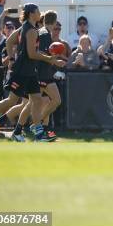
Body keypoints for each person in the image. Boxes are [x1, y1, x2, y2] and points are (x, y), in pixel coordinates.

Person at [0, 3, 65, 141]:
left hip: (30, 72)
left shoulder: (27, 27)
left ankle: (38, 133)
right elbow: (31, 54)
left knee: (36, 101)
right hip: (23, 71)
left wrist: (11, 58)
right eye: (37, 11)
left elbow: (10, 41)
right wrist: (51, 59)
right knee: (12, 100)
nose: (39, 13)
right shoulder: (31, 30)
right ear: (31, 14)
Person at [34, 10, 63, 140]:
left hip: (43, 73)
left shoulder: (43, 32)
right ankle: (36, 126)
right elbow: (42, 54)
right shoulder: (45, 33)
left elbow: (44, 54)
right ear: (55, 22)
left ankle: (41, 130)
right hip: (43, 73)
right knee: (55, 101)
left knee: (43, 102)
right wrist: (55, 60)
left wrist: (55, 60)